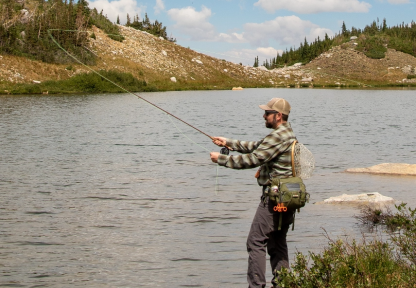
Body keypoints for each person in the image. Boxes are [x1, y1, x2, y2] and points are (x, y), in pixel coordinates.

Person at [210, 98, 297, 288]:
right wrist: (229, 142)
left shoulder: (277, 136)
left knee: (255, 242)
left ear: (278, 116)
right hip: (288, 198)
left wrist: (222, 159)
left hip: (273, 199)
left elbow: (253, 159)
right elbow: (258, 146)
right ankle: (284, 284)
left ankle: (256, 286)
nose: (264, 116)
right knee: (277, 242)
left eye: (267, 113)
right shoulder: (286, 133)